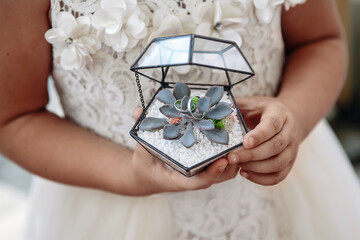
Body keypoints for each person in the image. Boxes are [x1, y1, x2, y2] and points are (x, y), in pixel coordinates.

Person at [1, 0, 360, 239]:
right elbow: (14, 119)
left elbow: (321, 40)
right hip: (111, 200)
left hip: (280, 191)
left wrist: (294, 114)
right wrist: (129, 172)